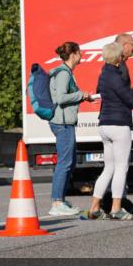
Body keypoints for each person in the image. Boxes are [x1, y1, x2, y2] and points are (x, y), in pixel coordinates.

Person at [87, 42, 133, 220]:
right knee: (121, 167)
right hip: (119, 124)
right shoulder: (116, 76)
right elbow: (130, 101)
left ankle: (94, 208)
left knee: (109, 168)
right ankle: (116, 208)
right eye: (122, 56)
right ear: (119, 58)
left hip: (104, 124)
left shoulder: (104, 74)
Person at [48, 41, 93, 216]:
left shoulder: (66, 73)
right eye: (80, 52)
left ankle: (60, 199)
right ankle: (57, 202)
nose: (81, 55)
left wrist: (83, 97)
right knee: (64, 163)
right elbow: (60, 98)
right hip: (62, 123)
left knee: (70, 161)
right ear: (73, 54)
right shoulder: (64, 74)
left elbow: (67, 96)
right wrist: (81, 94)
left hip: (66, 122)